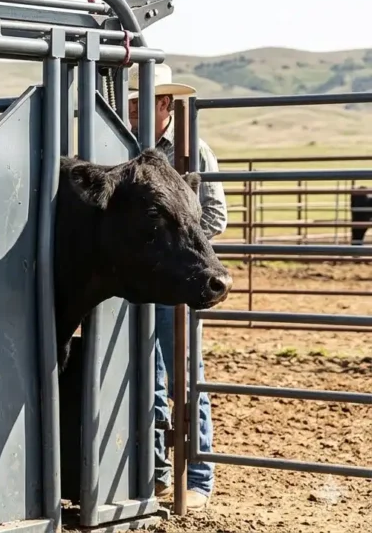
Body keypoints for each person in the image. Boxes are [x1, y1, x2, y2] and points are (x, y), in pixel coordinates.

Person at [127, 63, 228, 510]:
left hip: (176, 281)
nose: (131, 110)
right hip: (133, 282)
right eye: (128, 103)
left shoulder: (192, 151)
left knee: (186, 375)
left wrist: (176, 253)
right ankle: (157, 472)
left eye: (140, 101)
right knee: (144, 375)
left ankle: (199, 477)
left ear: (164, 103)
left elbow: (214, 216)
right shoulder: (120, 144)